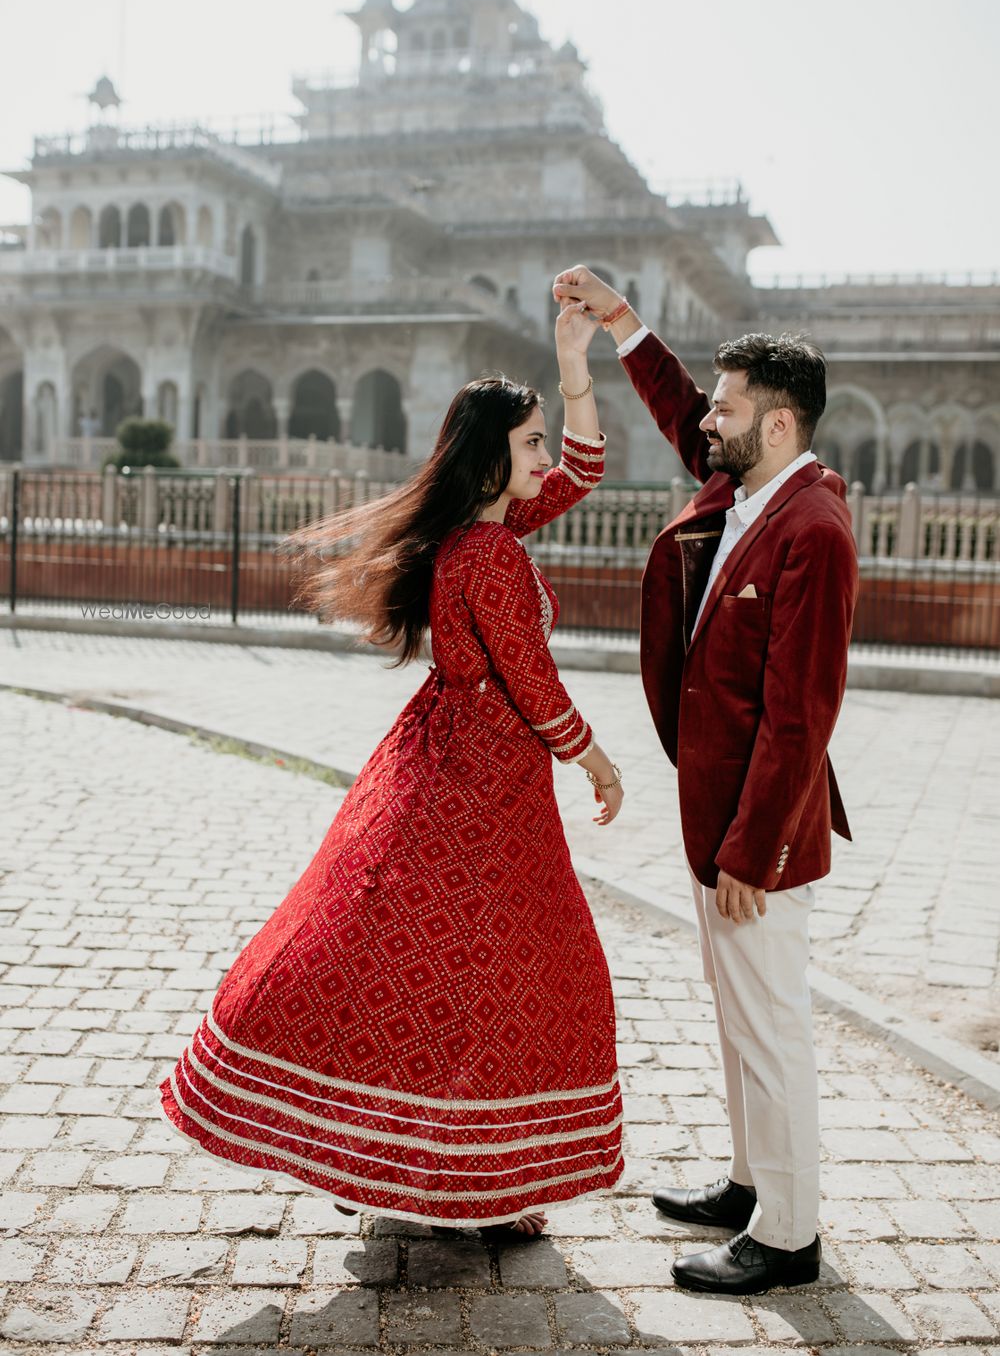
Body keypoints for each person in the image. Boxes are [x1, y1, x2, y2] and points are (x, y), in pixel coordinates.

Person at [157, 299, 626, 1236]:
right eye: (531, 444)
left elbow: (585, 469)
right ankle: (455, 1175)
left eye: (542, 443)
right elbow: (532, 680)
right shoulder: (490, 550)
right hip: (482, 787)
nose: (547, 460)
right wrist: (596, 759)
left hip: (455, 770)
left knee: (437, 965)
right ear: (494, 458)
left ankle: (429, 1166)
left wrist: (575, 366)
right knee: (496, 969)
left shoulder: (483, 534)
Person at [551, 266, 860, 1294]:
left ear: (775, 424)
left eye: (726, 410)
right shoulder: (747, 485)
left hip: (753, 835)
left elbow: (799, 715)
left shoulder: (812, 528)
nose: (705, 424)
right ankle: (748, 1184)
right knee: (737, 1020)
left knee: (770, 1028)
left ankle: (788, 1235)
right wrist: (622, 324)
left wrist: (752, 852)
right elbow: (680, 405)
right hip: (715, 812)